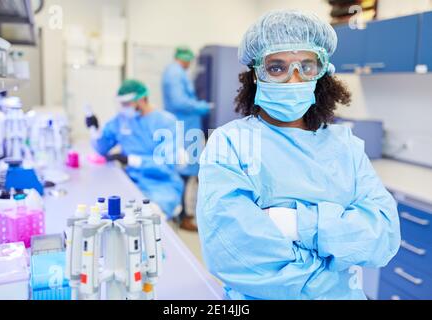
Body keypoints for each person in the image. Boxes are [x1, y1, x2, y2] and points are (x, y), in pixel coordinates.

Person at [196, 10, 401, 300]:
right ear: (255, 74)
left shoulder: (345, 145)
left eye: (306, 66)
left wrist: (294, 224)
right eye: (277, 67)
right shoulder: (231, 143)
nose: (294, 80)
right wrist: (334, 265)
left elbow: (383, 236)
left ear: (323, 72)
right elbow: (234, 254)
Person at [86, 79, 183, 219]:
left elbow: (167, 164)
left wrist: (130, 160)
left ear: (142, 99)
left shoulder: (166, 122)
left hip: (160, 186)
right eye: (121, 104)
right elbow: (102, 148)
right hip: (130, 180)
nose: (123, 107)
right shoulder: (122, 120)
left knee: (147, 221)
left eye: (126, 103)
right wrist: (95, 130)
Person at [162, 46, 211, 231]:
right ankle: (183, 216)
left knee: (186, 172)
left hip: (187, 128)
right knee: (183, 173)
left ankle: (183, 214)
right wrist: (201, 106)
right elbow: (178, 102)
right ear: (185, 58)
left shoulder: (176, 72)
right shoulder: (174, 73)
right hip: (183, 129)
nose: (190, 63)